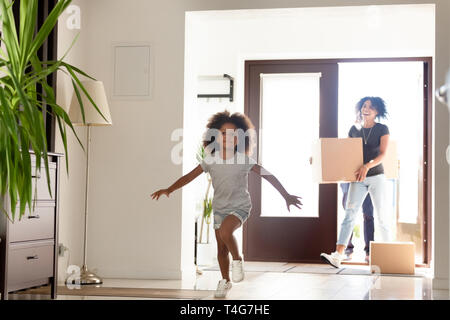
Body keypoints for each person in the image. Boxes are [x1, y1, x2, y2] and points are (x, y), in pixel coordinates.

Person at [151, 110, 302, 298]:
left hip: (240, 207)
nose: (228, 137)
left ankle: (238, 260)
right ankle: (225, 281)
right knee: (221, 249)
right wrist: (169, 189)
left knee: (225, 232)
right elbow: (188, 177)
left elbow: (267, 175)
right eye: (224, 133)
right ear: (215, 136)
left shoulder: (244, 160)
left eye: (233, 134)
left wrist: (286, 195)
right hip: (219, 208)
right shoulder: (210, 160)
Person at [321, 97, 391, 268]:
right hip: (357, 179)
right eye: (364, 106)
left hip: (376, 177)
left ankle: (390, 256)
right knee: (349, 215)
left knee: (381, 216)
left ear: (377, 111)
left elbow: (383, 154)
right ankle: (338, 255)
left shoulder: (382, 128)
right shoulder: (354, 129)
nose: (367, 109)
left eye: (371, 107)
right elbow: (345, 152)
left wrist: (367, 166)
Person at [340, 183, 374, 263]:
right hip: (348, 179)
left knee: (368, 215)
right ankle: (348, 250)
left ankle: (369, 252)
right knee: (348, 216)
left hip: (366, 178)